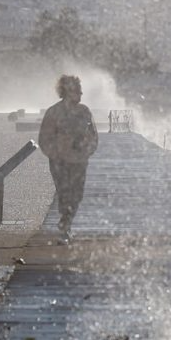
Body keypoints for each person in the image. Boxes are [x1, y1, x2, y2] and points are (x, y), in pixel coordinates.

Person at [38, 75, 99, 242]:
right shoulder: (54, 112)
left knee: (77, 195)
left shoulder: (84, 111)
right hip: (59, 161)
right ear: (66, 91)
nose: (80, 93)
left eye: (80, 90)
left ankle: (66, 224)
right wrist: (55, 154)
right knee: (64, 194)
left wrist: (87, 151)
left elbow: (93, 136)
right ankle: (65, 226)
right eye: (77, 90)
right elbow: (44, 138)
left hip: (79, 161)